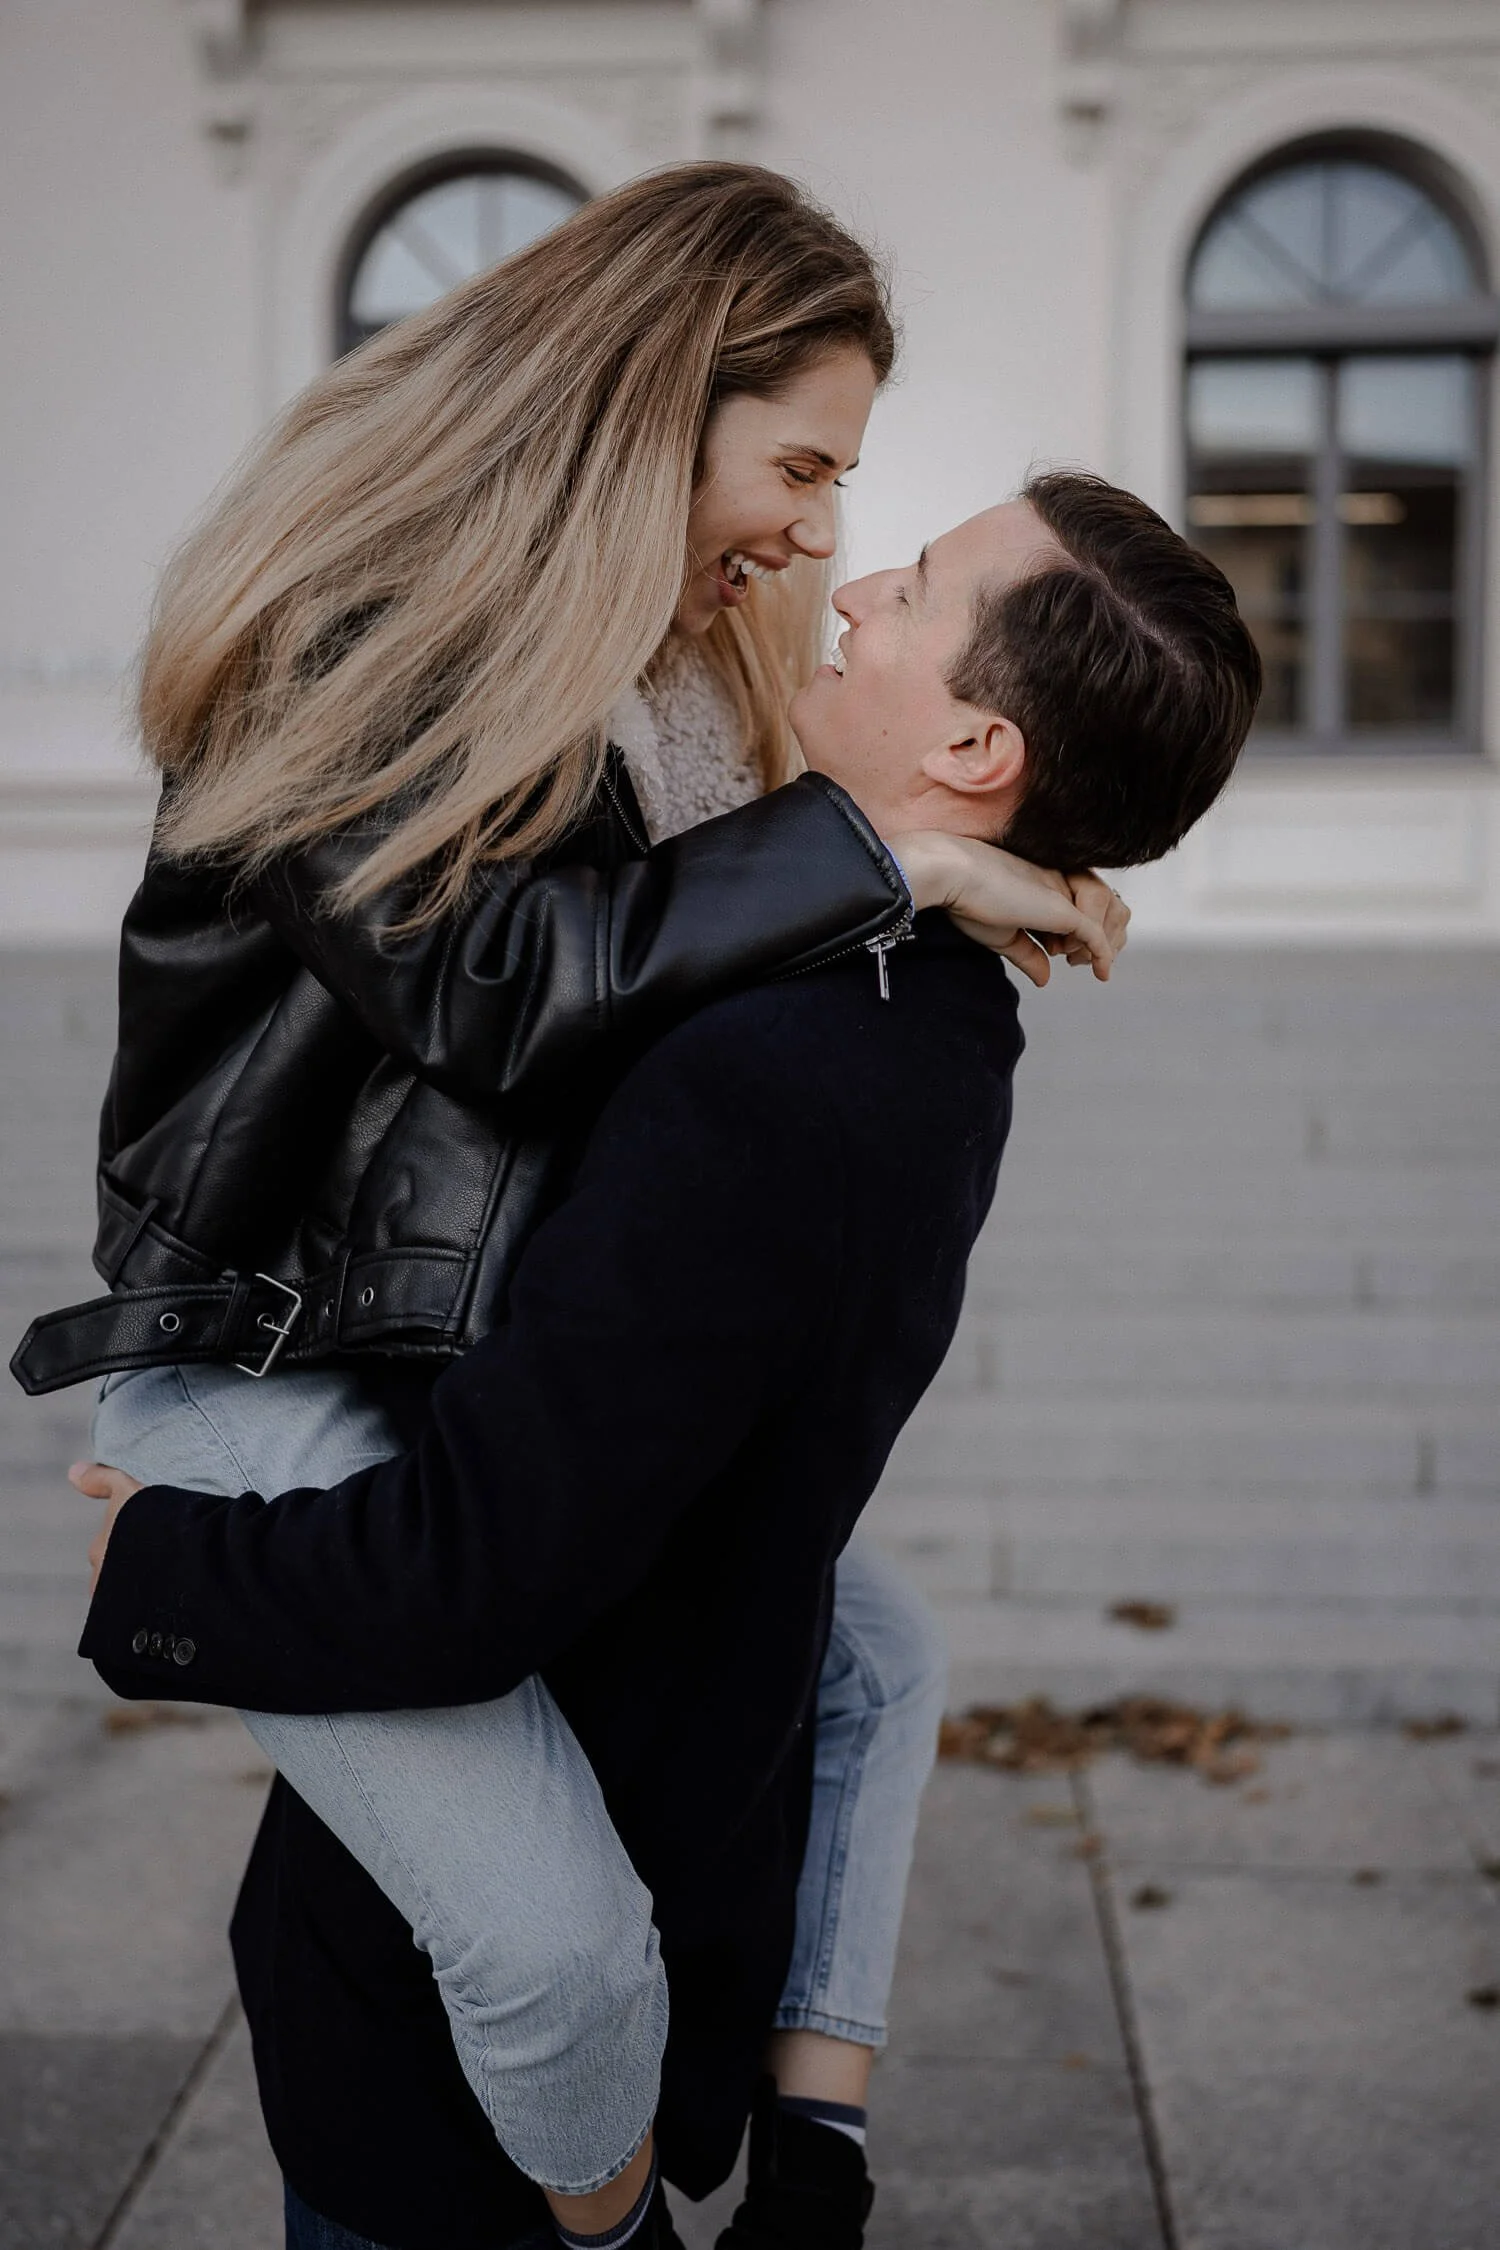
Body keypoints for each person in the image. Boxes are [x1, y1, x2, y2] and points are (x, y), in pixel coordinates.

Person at [12, 166, 1123, 2246]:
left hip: (468, 1342)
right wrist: (893, 862)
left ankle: (816, 2135)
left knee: (868, 1641)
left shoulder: (693, 653)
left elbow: (722, 989)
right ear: (649, 399)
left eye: (845, 480)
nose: (818, 528)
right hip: (278, 1345)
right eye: (798, 463)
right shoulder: (360, 619)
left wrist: (967, 865)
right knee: (544, 1939)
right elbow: (492, 990)